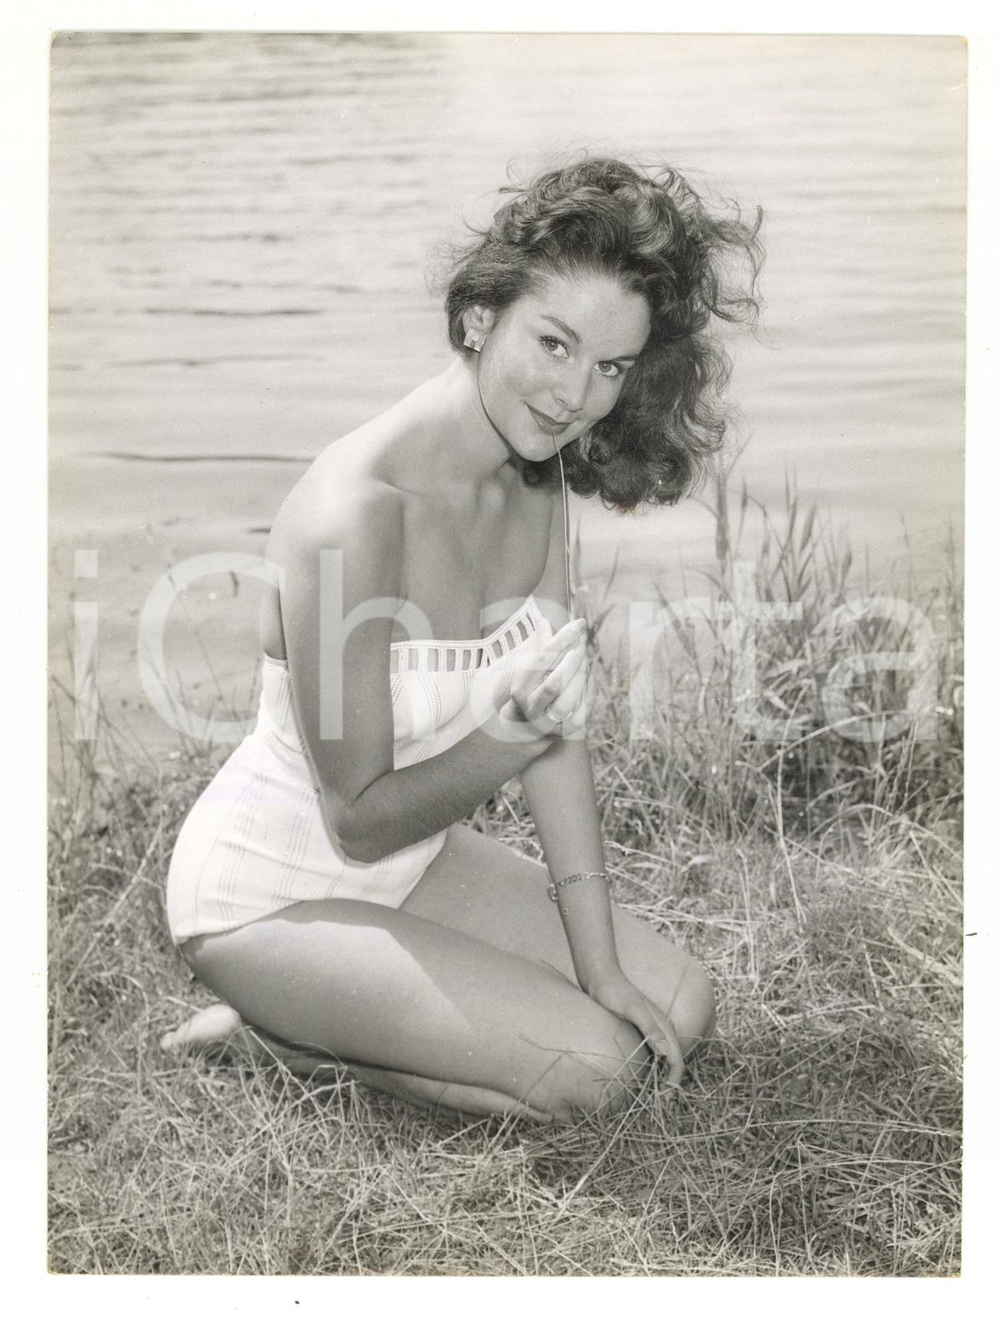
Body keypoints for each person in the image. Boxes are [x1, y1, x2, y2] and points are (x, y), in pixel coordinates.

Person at [161, 156, 762, 1123]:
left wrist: (600, 964)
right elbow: (355, 818)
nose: (576, 397)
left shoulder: (537, 483)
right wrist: (503, 742)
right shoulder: (352, 517)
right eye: (555, 344)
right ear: (481, 316)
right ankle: (284, 1036)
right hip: (270, 891)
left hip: (416, 863)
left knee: (680, 1006)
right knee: (597, 1074)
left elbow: (555, 736)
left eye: (609, 367)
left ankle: (345, 1012)